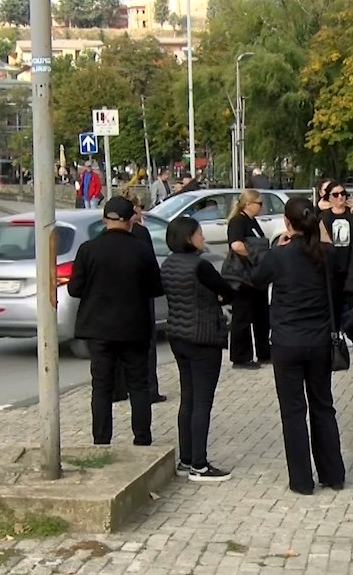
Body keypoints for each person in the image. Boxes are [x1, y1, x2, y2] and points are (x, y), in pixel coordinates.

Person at [251, 198, 347, 495]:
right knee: (323, 406)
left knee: (293, 412)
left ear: (286, 221)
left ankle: (302, 481)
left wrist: (278, 246)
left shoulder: (278, 256)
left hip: (287, 342)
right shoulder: (327, 254)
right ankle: (333, 474)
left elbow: (255, 280)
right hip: (320, 341)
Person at [67, 196, 164, 446]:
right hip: (134, 328)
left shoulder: (88, 249)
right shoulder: (141, 250)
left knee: (101, 386)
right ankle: (142, 438)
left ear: (104, 220)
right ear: (131, 220)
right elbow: (156, 287)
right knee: (139, 385)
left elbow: (74, 289)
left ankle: (101, 440)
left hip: (98, 329)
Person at [161, 216, 236, 481]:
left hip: (178, 335)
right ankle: (200, 465)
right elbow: (227, 291)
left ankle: (186, 459)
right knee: (202, 402)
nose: (203, 237)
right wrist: (219, 296)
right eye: (199, 233)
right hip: (203, 337)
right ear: (188, 238)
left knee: (188, 399)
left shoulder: (168, 264)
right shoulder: (200, 266)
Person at [113, 198, 165, 403]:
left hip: (115, 298)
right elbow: (150, 265)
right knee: (146, 346)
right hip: (140, 296)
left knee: (117, 343)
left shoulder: (103, 235)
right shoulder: (140, 233)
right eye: (138, 210)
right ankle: (149, 389)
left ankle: (118, 388)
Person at [318, 182, 353, 323]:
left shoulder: (352, 214)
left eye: (343, 194)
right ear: (328, 197)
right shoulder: (324, 217)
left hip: (352, 268)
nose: (340, 197)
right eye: (335, 195)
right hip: (333, 270)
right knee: (334, 310)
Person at [226, 189, 272, 368]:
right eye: (259, 203)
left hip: (256, 276)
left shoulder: (253, 221)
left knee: (262, 315)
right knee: (242, 316)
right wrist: (253, 256)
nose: (261, 207)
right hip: (243, 275)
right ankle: (241, 357)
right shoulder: (238, 221)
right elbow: (236, 245)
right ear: (248, 204)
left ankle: (264, 352)